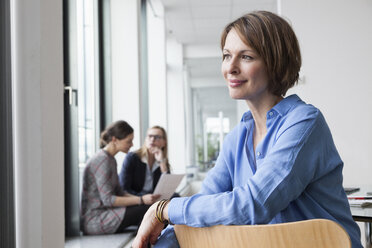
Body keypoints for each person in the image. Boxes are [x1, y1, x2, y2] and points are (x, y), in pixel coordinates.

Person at [132, 11, 362, 248]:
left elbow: (253, 204)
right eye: (226, 55)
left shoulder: (304, 122)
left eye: (246, 57)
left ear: (275, 63)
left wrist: (163, 209)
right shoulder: (237, 139)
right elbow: (201, 209)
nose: (230, 67)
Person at [80, 120, 160, 235]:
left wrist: (144, 200)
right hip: (96, 220)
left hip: (107, 213)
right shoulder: (102, 160)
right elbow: (108, 200)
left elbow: (120, 192)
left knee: (150, 207)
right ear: (114, 140)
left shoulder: (110, 159)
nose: (132, 145)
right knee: (150, 210)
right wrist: (141, 200)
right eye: (129, 141)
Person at [119, 126, 171, 196]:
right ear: (146, 139)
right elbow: (124, 189)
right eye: (150, 136)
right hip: (136, 199)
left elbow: (167, 189)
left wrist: (162, 162)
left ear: (164, 142)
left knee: (177, 197)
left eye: (157, 137)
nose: (152, 139)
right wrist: (143, 198)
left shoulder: (163, 160)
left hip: (154, 199)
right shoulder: (132, 157)